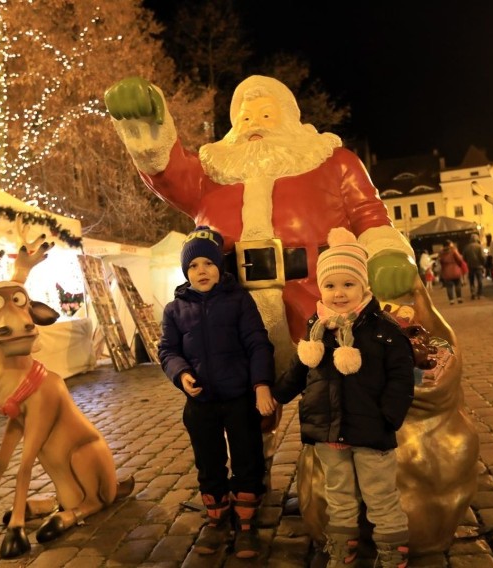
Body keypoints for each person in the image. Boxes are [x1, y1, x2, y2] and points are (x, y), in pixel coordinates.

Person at [104, 75, 418, 374]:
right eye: (246, 118)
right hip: (234, 312)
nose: (254, 124)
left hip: (319, 304)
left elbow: (369, 215)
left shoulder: (335, 162)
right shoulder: (208, 175)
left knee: (331, 397)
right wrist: (144, 125)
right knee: (247, 408)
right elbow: (164, 170)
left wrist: (386, 253)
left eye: (267, 116)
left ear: (290, 121)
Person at [272, 228, 415, 568]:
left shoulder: (383, 329)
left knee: (380, 495)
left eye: (348, 284)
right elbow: (298, 370)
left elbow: (400, 377)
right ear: (321, 288)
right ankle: (341, 548)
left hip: (370, 429)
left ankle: (393, 553)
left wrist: (388, 417)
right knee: (338, 495)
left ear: (364, 286)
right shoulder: (315, 328)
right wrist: (276, 395)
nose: (338, 294)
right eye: (330, 286)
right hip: (328, 429)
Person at [157, 226, 277, 559]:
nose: (201, 271)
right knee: (209, 463)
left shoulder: (239, 300)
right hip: (201, 401)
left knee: (247, 459)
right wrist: (180, 374)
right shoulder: (175, 310)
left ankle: (246, 524)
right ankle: (217, 519)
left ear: (218, 266)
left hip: (239, 397)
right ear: (186, 273)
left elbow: (257, 343)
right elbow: (167, 350)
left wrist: (261, 385)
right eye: (193, 266)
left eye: (207, 263)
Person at [462, 234, 486, 299]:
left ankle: (473, 292)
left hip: (470, 266)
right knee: (480, 280)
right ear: (477, 239)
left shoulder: (467, 247)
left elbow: (464, 258)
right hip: (479, 266)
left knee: (471, 281)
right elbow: (482, 257)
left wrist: (468, 262)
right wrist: (483, 264)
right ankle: (479, 294)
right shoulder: (479, 247)